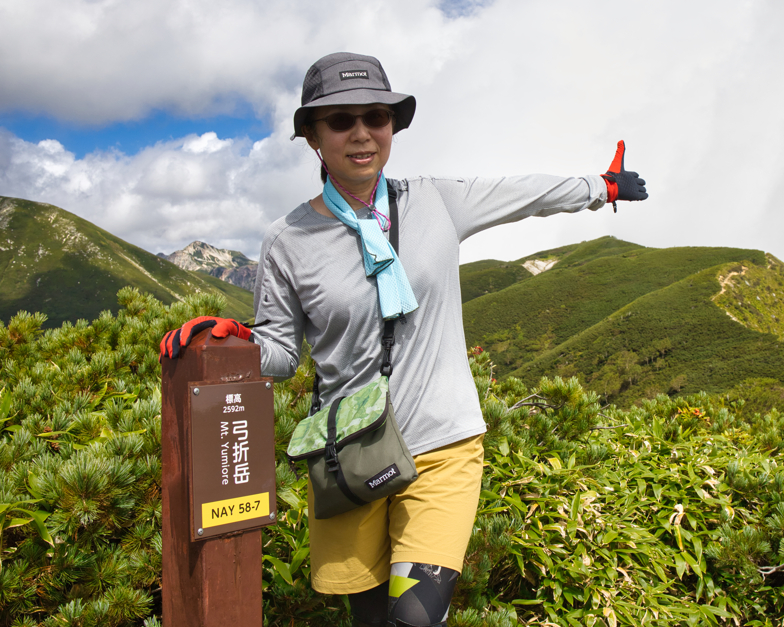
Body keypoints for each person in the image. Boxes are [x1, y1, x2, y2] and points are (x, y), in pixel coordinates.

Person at [160, 52, 648, 627]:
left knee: (412, 620)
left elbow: (524, 193)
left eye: (377, 116)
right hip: (352, 459)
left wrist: (600, 186)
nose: (362, 133)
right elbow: (284, 355)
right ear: (313, 136)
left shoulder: (435, 200)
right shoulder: (288, 239)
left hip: (444, 442)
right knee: (370, 621)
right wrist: (232, 345)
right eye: (341, 120)